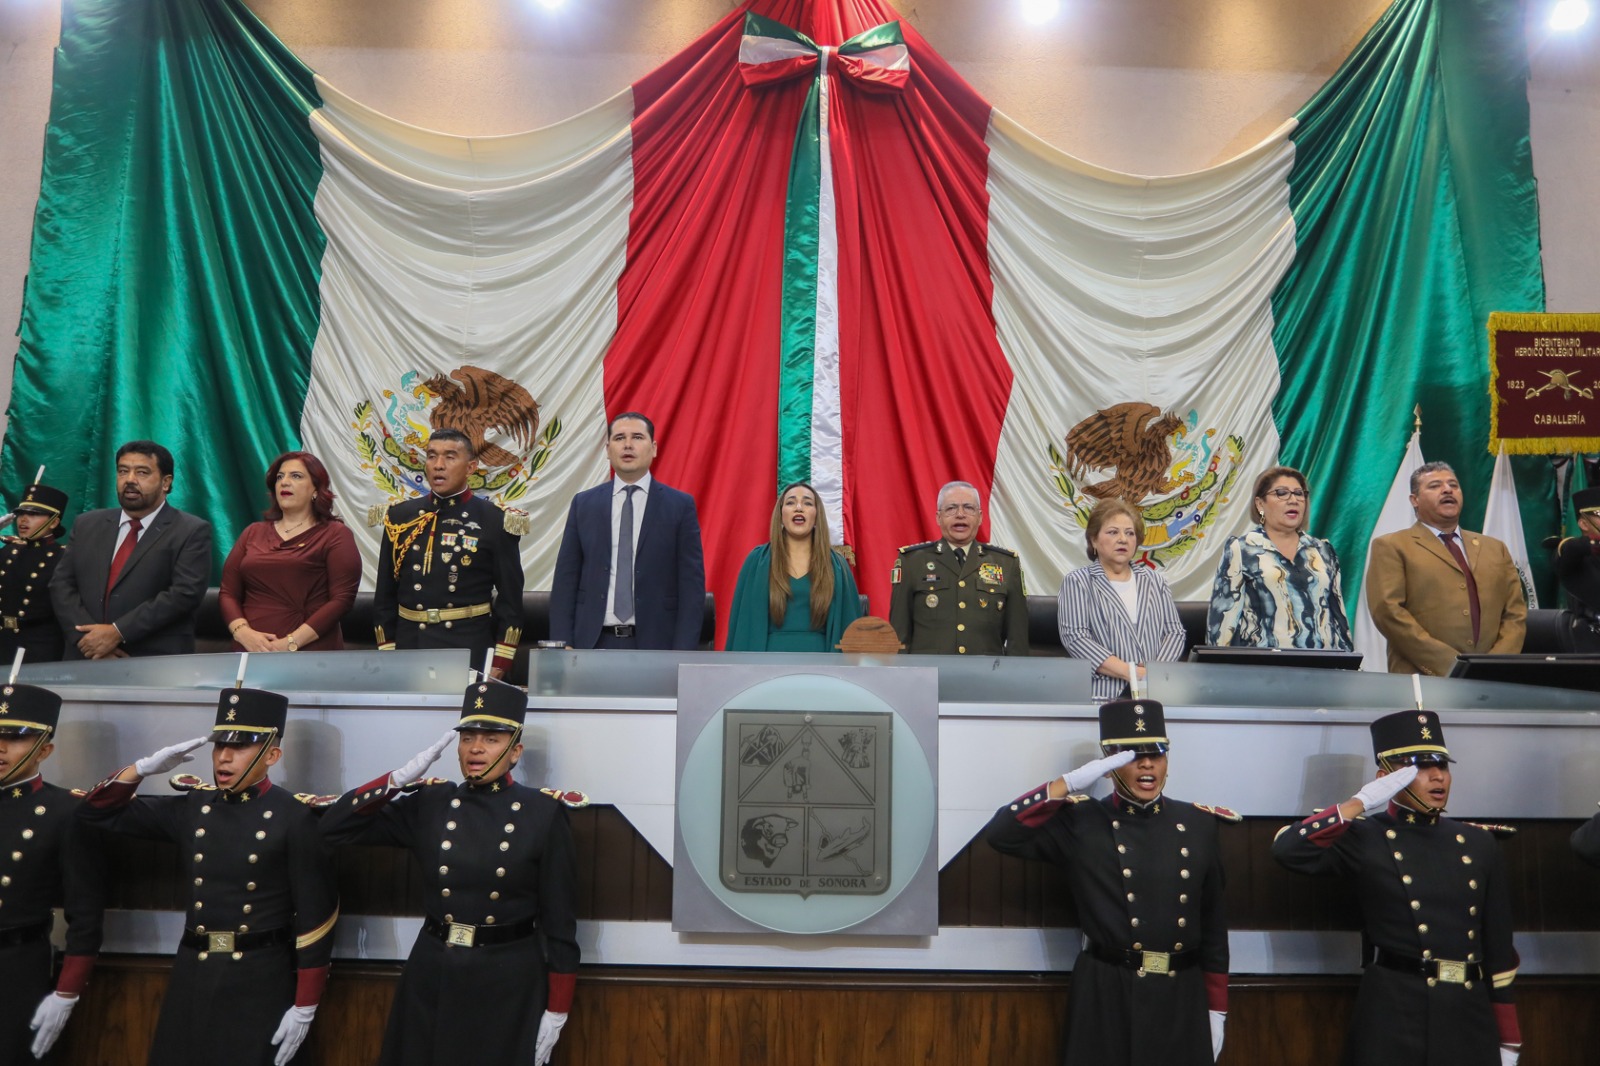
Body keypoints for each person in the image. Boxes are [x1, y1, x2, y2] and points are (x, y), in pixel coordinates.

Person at [319, 682, 581, 1066]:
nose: (475, 749)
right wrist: (395, 781)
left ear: (515, 751)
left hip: (507, 978)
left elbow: (560, 924)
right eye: (467, 738)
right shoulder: (433, 803)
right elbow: (332, 829)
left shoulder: (542, 813)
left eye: (491, 739)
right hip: (434, 969)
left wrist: (557, 1009)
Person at [79, 687, 338, 1066]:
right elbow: (94, 813)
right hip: (194, 971)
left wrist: (305, 1004)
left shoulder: (293, 816)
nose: (224, 757)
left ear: (272, 756)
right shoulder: (195, 806)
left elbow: (317, 916)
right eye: (219, 746)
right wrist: (141, 769)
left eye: (240, 747)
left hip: (259, 976)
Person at [985, 697, 1234, 1065]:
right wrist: (1067, 783)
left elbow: (1213, 926)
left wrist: (1216, 1009)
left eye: (1157, 753)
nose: (1147, 764)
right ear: (1109, 764)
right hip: (1105, 992)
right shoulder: (1082, 821)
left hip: (1180, 994)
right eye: (1132, 755)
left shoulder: (1198, 824)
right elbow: (1001, 834)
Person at [1271, 709, 1521, 1065]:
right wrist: (1359, 803)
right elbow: (1288, 851)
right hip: (1394, 1009)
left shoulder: (1477, 842)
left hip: (1467, 1011)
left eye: (1442, 765)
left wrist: (1508, 1036)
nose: (1437, 776)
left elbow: (1498, 947)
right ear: (1386, 777)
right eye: (1419, 766)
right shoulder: (1365, 836)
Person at [0, 682, 106, 1062]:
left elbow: (86, 914)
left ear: (44, 750)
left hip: (15, 969)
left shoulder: (66, 811)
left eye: (14, 738)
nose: (0, 748)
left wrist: (66, 992)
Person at [373, 429, 526, 678]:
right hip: (410, 648)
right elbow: (384, 597)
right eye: (432, 456)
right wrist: (388, 652)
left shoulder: (494, 520)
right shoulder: (400, 518)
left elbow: (511, 601)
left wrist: (499, 663)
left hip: (468, 650)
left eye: (450, 457)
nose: (438, 465)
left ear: (471, 467)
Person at [549, 412, 706, 650]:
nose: (628, 445)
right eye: (620, 438)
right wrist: (563, 643)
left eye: (637, 437)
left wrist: (682, 653)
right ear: (608, 449)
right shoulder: (584, 504)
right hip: (592, 643)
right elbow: (565, 580)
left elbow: (691, 587)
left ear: (654, 448)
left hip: (657, 646)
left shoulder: (679, 506)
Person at [48, 441, 212, 659]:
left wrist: (117, 632)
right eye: (123, 471)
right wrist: (89, 640)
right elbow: (61, 585)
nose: (130, 480)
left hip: (151, 659)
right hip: (85, 654)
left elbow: (184, 594)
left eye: (142, 472)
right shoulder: (87, 524)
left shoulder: (190, 530)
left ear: (166, 482)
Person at [1365, 462, 1526, 675]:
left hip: (1491, 678)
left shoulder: (1495, 548)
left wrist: (1494, 665)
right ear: (1414, 500)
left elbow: (1515, 613)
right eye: (1435, 486)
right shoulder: (1392, 546)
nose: (1447, 490)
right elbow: (1388, 612)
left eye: (1453, 485)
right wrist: (1453, 666)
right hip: (1424, 678)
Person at [221, 451, 361, 654]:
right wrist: (243, 633)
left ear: (316, 489)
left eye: (296, 476)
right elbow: (228, 592)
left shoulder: (335, 534)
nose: (284, 482)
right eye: (280, 477)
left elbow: (342, 599)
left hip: (310, 653)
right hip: (250, 651)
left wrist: (290, 643)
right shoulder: (252, 532)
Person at [1205, 465, 1353, 649]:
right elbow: (1222, 623)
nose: (1293, 500)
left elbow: (1339, 619)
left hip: (1322, 663)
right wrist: (1219, 663)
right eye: (1281, 493)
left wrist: (1348, 661)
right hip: (1263, 663)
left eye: (1299, 493)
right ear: (1260, 504)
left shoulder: (1323, 550)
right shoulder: (1242, 550)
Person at [1057, 498, 1184, 700]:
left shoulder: (1154, 580)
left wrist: (1154, 674)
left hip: (1155, 694)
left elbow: (1174, 632)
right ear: (1093, 540)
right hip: (1104, 695)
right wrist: (1133, 673)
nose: (1123, 539)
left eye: (1130, 533)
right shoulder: (1078, 581)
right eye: (1113, 532)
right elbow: (1076, 638)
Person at [888, 481, 1029, 655]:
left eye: (968, 508)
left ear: (980, 517)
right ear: (938, 517)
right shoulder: (912, 562)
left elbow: (1018, 641)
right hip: (931, 671)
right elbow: (899, 637)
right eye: (951, 508)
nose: (960, 514)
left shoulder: (1006, 563)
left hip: (986, 671)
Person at [726, 482, 862, 651]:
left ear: (817, 515)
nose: (799, 508)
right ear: (781, 514)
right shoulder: (756, 562)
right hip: (767, 664)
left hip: (823, 665)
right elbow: (742, 630)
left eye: (807, 503)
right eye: (791, 502)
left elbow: (849, 630)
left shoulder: (838, 566)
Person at [0, 480, 71, 662]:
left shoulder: (62, 557)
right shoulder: (8, 551)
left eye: (33, 514)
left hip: (38, 646)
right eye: (21, 513)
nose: (24, 519)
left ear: (54, 522)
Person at [1551, 485, 1600, 652]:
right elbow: (1570, 549)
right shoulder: (1576, 553)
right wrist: (1594, 544)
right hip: (1591, 635)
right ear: (1583, 523)